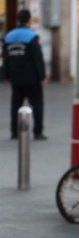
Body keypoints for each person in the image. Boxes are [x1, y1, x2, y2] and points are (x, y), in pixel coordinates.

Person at [3, 9, 47, 140]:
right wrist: (42, 76)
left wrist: (6, 75)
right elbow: (37, 58)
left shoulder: (9, 36)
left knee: (15, 105)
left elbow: (6, 58)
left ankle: (14, 131)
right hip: (32, 78)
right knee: (37, 104)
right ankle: (38, 132)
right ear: (29, 20)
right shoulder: (32, 36)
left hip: (16, 78)